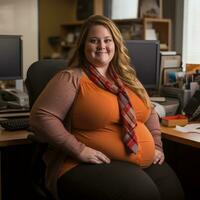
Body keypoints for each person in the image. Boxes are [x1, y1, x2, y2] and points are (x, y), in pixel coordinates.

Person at [30, 15, 184, 200]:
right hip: (83, 164)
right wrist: (79, 150)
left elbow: (149, 111)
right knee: (142, 193)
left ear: (116, 45)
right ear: (83, 46)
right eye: (93, 40)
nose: (101, 46)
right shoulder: (71, 78)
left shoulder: (128, 79)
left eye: (107, 40)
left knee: (173, 192)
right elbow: (41, 117)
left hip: (138, 164)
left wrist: (157, 145)